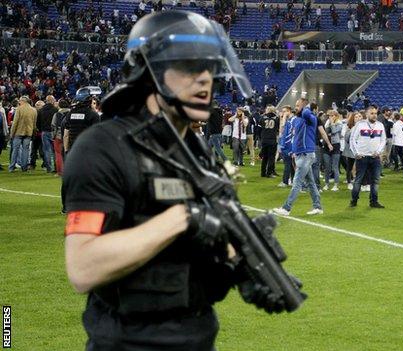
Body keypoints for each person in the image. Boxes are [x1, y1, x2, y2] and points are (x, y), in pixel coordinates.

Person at [62, 10, 283, 350]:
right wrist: (184, 216)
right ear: (148, 72)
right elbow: (83, 267)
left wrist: (242, 265)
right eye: (188, 67)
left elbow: (204, 243)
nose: (205, 79)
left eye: (209, 67)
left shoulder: (199, 150)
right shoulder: (102, 147)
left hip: (198, 337)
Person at [272, 98, 324, 216]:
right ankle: (318, 207)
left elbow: (306, 112)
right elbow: (294, 137)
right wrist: (292, 150)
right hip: (300, 154)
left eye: (298, 105)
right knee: (310, 182)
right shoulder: (297, 120)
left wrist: (306, 107)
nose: (295, 107)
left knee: (297, 182)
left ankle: (286, 208)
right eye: (295, 105)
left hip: (306, 154)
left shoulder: (310, 118)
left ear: (305, 107)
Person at [349, 106, 386, 209]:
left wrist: (378, 152)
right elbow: (353, 139)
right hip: (362, 157)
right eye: (372, 113)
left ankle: (374, 201)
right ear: (367, 114)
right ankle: (354, 200)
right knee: (358, 180)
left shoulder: (380, 125)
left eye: (375, 113)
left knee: (375, 181)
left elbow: (383, 140)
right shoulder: (360, 125)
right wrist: (356, 153)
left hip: (375, 158)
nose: (374, 115)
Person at [64, 87, 101, 153]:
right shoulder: (93, 114)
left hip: (73, 149)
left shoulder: (70, 113)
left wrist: (66, 150)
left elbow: (66, 135)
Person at [8, 96, 37, 172]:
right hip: (28, 133)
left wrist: (12, 133)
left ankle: (11, 167)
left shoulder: (19, 109)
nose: (19, 102)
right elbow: (34, 124)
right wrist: (33, 132)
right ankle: (24, 168)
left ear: (22, 101)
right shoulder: (33, 110)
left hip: (18, 132)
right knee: (26, 150)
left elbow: (15, 122)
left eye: (19, 101)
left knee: (15, 150)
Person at [322, 110, 343, 191]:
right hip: (326, 145)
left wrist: (332, 123)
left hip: (335, 145)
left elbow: (334, 131)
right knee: (327, 166)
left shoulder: (339, 123)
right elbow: (325, 132)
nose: (330, 117)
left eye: (332, 115)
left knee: (335, 166)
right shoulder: (327, 123)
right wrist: (330, 124)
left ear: (336, 116)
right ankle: (326, 184)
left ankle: (336, 185)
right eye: (329, 116)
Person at [38, 95, 59, 173]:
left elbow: (38, 122)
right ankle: (56, 167)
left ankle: (49, 168)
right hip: (53, 132)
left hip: (44, 132)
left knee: (46, 150)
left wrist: (41, 129)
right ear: (52, 100)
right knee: (55, 151)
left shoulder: (41, 110)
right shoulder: (55, 110)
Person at [51, 99, 70, 175]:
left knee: (58, 154)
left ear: (59, 105)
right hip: (69, 135)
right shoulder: (71, 113)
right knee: (68, 153)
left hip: (59, 136)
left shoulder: (57, 114)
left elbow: (53, 126)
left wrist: (54, 136)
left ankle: (60, 171)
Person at [259, 105, 279, 177]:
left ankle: (263, 173)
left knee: (264, 157)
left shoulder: (262, 117)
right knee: (271, 157)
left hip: (264, 139)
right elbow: (278, 128)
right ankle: (269, 173)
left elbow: (260, 126)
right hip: (272, 139)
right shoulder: (276, 118)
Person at [277, 106, 295, 187]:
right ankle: (293, 180)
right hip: (286, 145)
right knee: (290, 164)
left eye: (284, 111)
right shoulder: (289, 120)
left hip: (290, 145)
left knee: (288, 164)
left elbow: (283, 128)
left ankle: (285, 182)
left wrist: (283, 118)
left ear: (289, 111)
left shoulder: (292, 120)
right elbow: (281, 132)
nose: (282, 113)